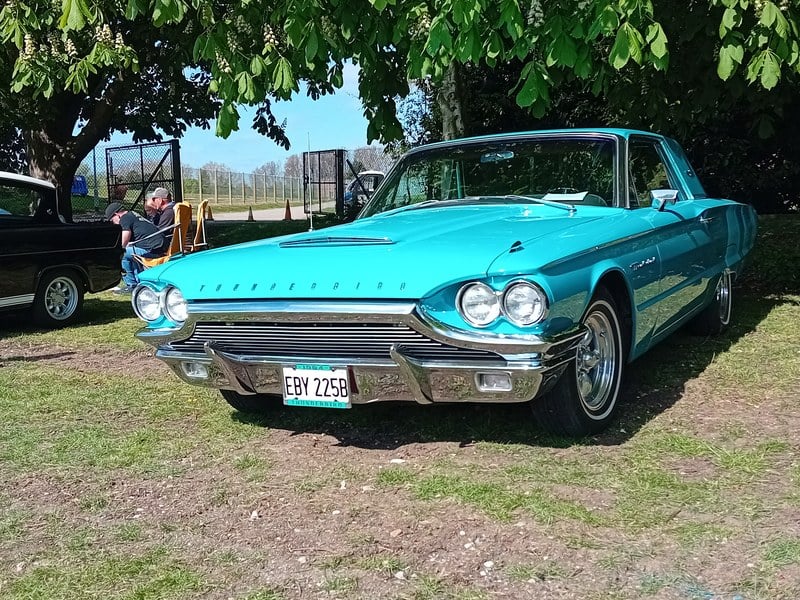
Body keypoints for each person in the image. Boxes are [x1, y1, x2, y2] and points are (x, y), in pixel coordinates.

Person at [105, 202, 168, 294]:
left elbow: (125, 237)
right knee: (131, 253)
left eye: (112, 220)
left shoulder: (124, 218)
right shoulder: (133, 214)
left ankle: (131, 285)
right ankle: (138, 282)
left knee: (123, 254)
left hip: (152, 250)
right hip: (161, 247)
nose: (113, 223)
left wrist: (117, 250)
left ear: (116, 215)